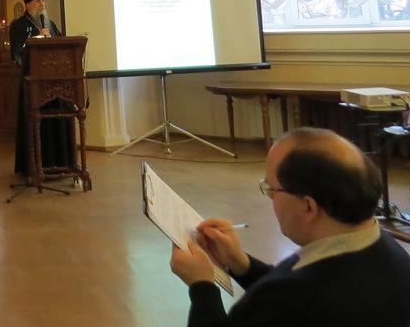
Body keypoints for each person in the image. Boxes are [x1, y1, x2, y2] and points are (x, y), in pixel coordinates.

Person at [169, 127, 410, 326]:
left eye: (272, 188)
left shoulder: (290, 299)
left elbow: (288, 298)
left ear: (308, 207)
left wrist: (201, 286)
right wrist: (242, 265)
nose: (271, 196)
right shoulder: (385, 249)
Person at [8, 0, 75, 177]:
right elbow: (17, 54)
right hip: (33, 85)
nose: (42, 4)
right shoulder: (18, 26)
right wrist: (38, 37)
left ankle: (63, 165)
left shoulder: (50, 24)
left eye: (43, 1)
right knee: (37, 127)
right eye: (38, 1)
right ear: (28, 4)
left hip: (56, 83)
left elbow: (62, 45)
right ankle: (35, 167)